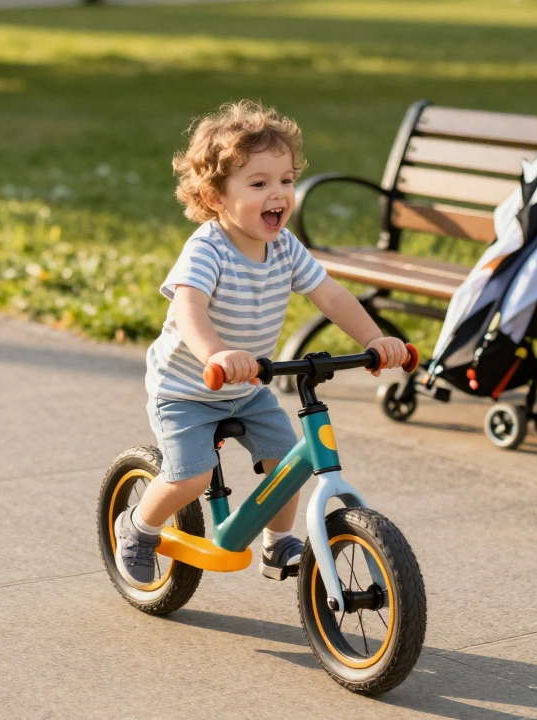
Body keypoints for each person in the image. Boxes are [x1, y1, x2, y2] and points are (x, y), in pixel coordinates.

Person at [115, 99, 410, 589]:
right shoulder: (207, 248)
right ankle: (138, 528)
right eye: (258, 184)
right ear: (215, 198)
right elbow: (188, 308)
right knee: (190, 477)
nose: (279, 194)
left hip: (248, 385)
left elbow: (331, 296)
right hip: (188, 388)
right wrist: (216, 354)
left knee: (287, 461)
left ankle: (277, 543)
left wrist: (375, 338)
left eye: (286, 180)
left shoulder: (285, 247)